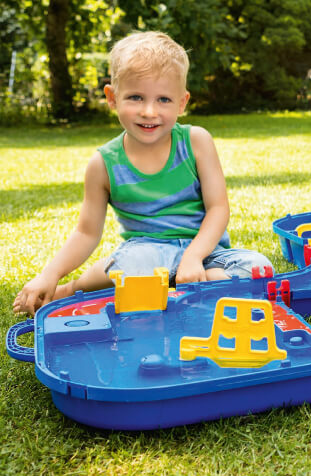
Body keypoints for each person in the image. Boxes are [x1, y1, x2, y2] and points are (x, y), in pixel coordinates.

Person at [13, 31, 272, 316]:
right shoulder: (103, 164)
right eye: (136, 97)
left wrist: (193, 257)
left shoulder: (196, 142)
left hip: (207, 253)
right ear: (112, 98)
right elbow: (86, 233)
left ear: (182, 102)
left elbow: (218, 209)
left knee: (259, 268)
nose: (149, 111)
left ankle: (176, 286)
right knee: (130, 266)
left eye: (164, 99)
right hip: (147, 254)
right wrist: (49, 275)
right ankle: (71, 291)